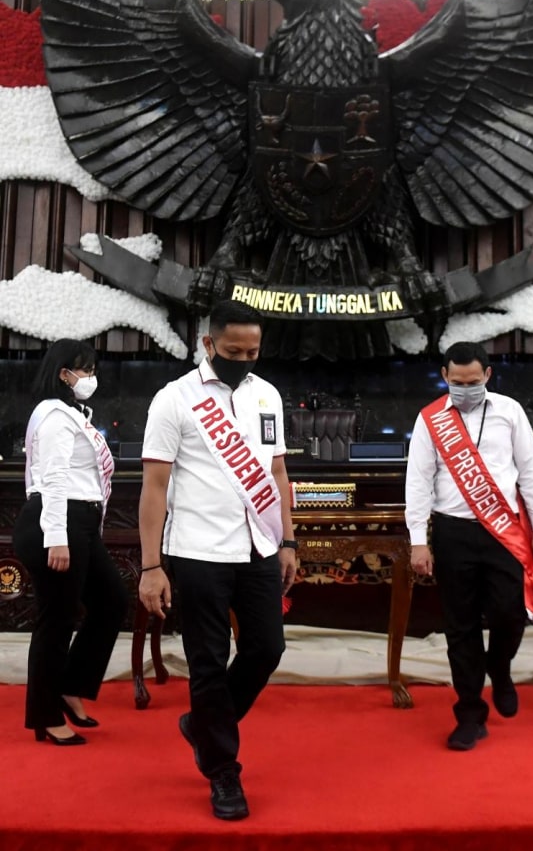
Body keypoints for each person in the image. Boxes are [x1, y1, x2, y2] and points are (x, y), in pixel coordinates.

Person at [138, 300, 297, 821]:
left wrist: (287, 541)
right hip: (198, 550)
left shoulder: (267, 395)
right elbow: (155, 487)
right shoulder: (174, 400)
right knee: (206, 662)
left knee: (267, 648)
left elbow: (276, 474)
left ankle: (203, 723)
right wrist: (150, 565)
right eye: (234, 351)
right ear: (209, 344)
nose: (244, 360)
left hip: (257, 546)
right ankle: (223, 771)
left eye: (253, 352)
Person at [404, 341, 533, 752]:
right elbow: (417, 483)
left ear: (487, 375)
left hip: (504, 531)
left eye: (473, 382)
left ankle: (499, 669)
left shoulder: (509, 412)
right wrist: (419, 541)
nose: (465, 389)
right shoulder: (431, 419)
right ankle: (469, 713)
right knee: (461, 626)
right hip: (453, 534)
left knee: (509, 614)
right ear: (445, 376)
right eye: (456, 382)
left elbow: (530, 474)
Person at [12, 339, 128, 745]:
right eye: (86, 371)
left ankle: (69, 685)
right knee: (56, 620)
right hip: (56, 522)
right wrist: (56, 538)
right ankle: (45, 716)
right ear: (65, 374)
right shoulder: (54, 414)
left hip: (77, 522)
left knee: (112, 601)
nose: (91, 379)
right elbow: (55, 478)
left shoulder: (74, 415)